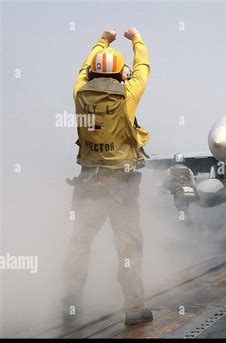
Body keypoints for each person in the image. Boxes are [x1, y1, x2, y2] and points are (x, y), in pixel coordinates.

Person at [64, 28, 152, 326]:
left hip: (87, 182)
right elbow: (143, 68)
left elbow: (82, 69)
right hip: (120, 186)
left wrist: (102, 40)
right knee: (128, 246)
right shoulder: (126, 96)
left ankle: (71, 302)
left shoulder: (79, 94)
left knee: (79, 244)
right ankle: (134, 309)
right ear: (120, 74)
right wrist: (136, 40)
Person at [162, 153, 199, 223]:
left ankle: (182, 222)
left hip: (178, 192)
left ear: (174, 160)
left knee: (180, 208)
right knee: (185, 207)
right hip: (188, 192)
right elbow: (192, 181)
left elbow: (166, 181)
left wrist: (168, 187)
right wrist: (194, 189)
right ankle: (186, 221)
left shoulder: (170, 170)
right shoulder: (188, 169)